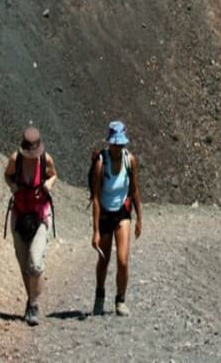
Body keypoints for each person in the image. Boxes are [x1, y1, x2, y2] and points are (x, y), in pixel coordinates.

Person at [4, 127, 57, 326]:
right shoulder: (15, 160)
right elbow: (7, 175)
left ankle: (34, 304)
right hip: (19, 214)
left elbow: (54, 175)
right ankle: (30, 300)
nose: (32, 156)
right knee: (23, 262)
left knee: (35, 263)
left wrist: (49, 184)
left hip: (40, 215)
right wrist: (12, 185)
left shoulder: (46, 160)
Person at [90, 120, 142, 316]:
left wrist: (139, 218)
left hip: (122, 213)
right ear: (110, 142)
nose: (118, 147)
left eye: (121, 144)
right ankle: (99, 296)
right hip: (105, 213)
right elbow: (95, 197)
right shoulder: (101, 163)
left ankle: (120, 299)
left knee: (122, 260)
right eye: (115, 144)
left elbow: (134, 189)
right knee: (104, 259)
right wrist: (95, 231)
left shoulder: (130, 160)